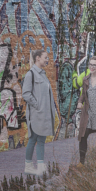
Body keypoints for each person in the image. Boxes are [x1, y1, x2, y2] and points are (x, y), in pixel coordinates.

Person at [21, 48, 55, 177]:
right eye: (45, 57)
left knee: (41, 139)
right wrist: (38, 106)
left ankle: (40, 166)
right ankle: (29, 165)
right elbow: (26, 94)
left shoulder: (42, 74)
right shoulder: (31, 74)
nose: (47, 60)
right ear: (37, 58)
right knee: (33, 139)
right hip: (37, 113)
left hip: (44, 114)